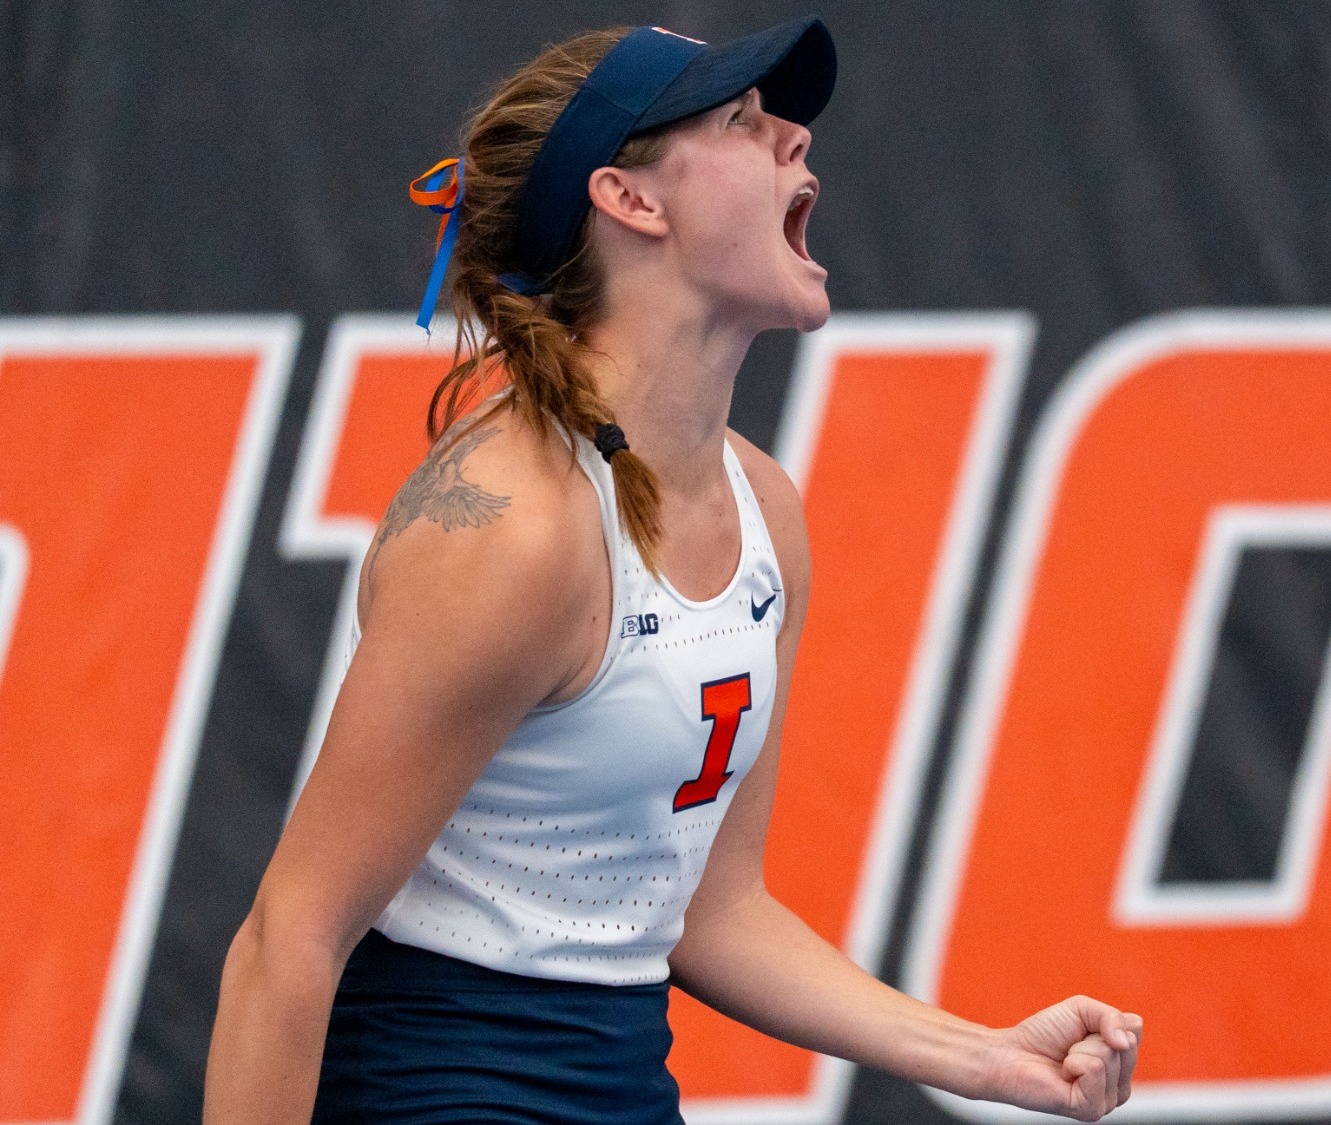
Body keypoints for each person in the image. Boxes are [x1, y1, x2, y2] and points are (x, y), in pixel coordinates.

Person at [203, 17, 1141, 1124]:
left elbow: (711, 910)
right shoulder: (514, 533)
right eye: (744, 122)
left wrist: (980, 1058)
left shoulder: (764, 510)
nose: (796, 139)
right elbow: (288, 938)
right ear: (629, 199)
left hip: (625, 1090)